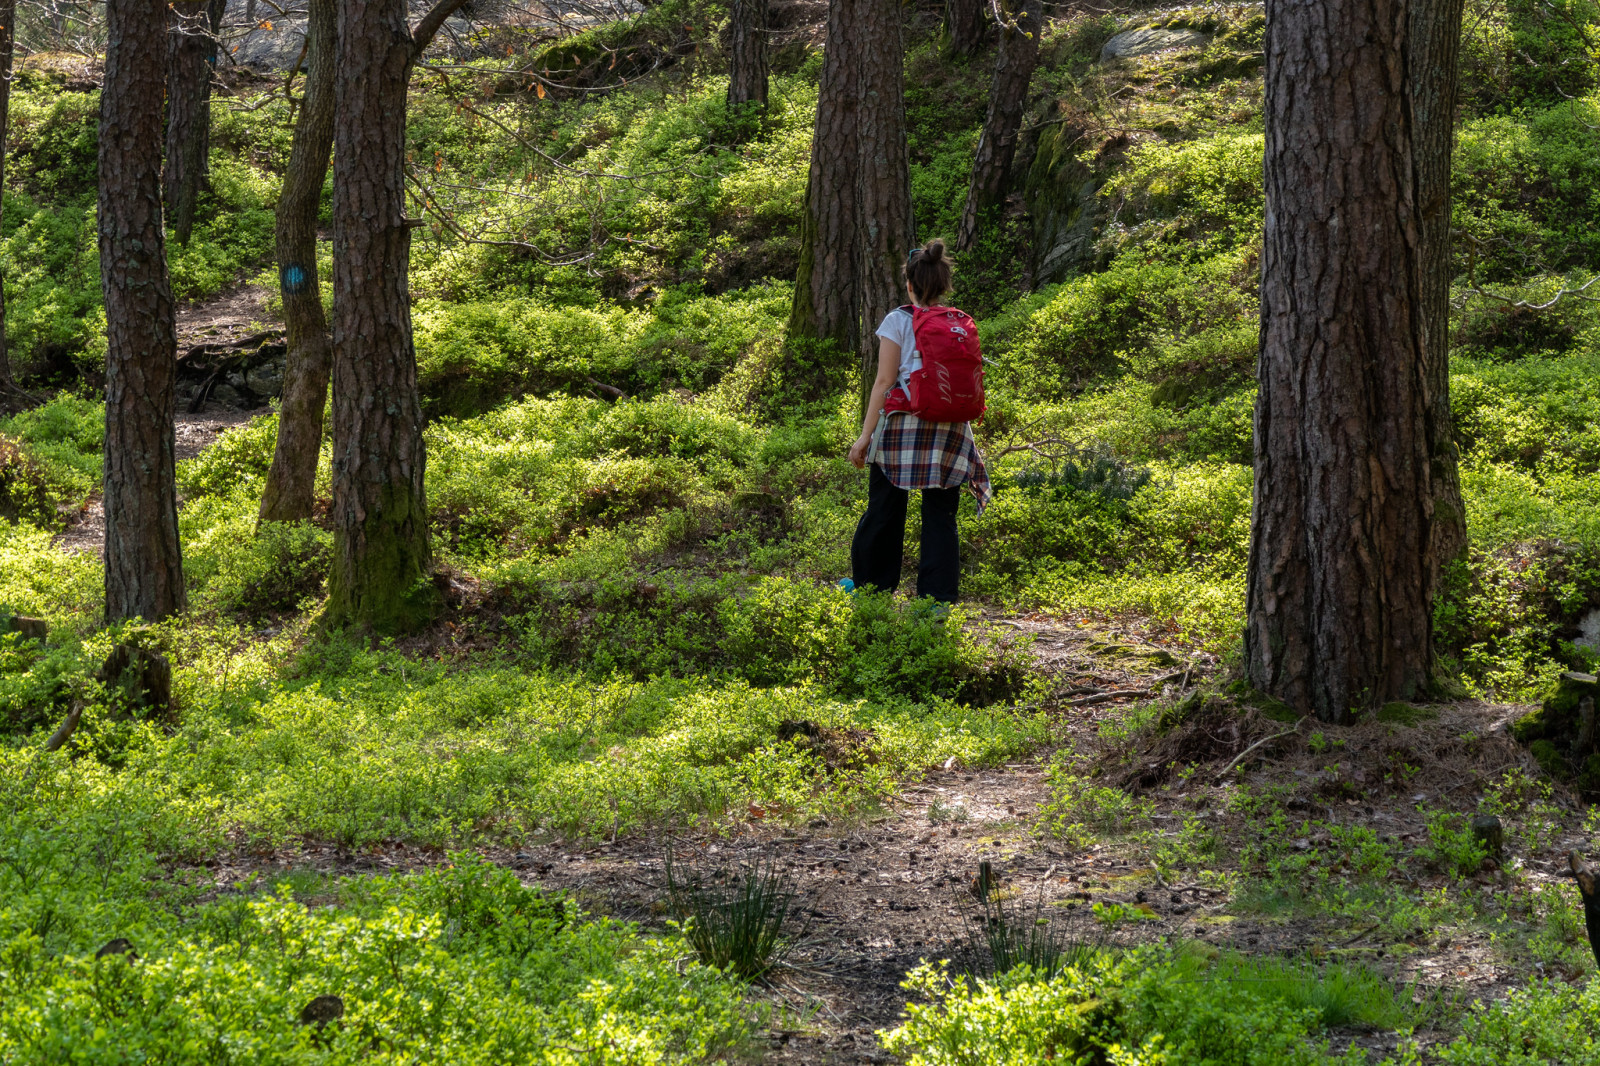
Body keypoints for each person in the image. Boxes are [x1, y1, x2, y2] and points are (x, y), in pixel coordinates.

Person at [846, 239, 990, 603]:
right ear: (944, 287)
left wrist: (864, 437)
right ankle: (936, 601)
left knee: (885, 506)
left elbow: (884, 381)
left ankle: (872, 588)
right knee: (941, 516)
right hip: (952, 431)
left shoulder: (897, 320)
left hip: (903, 426)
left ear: (909, 284)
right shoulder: (958, 323)